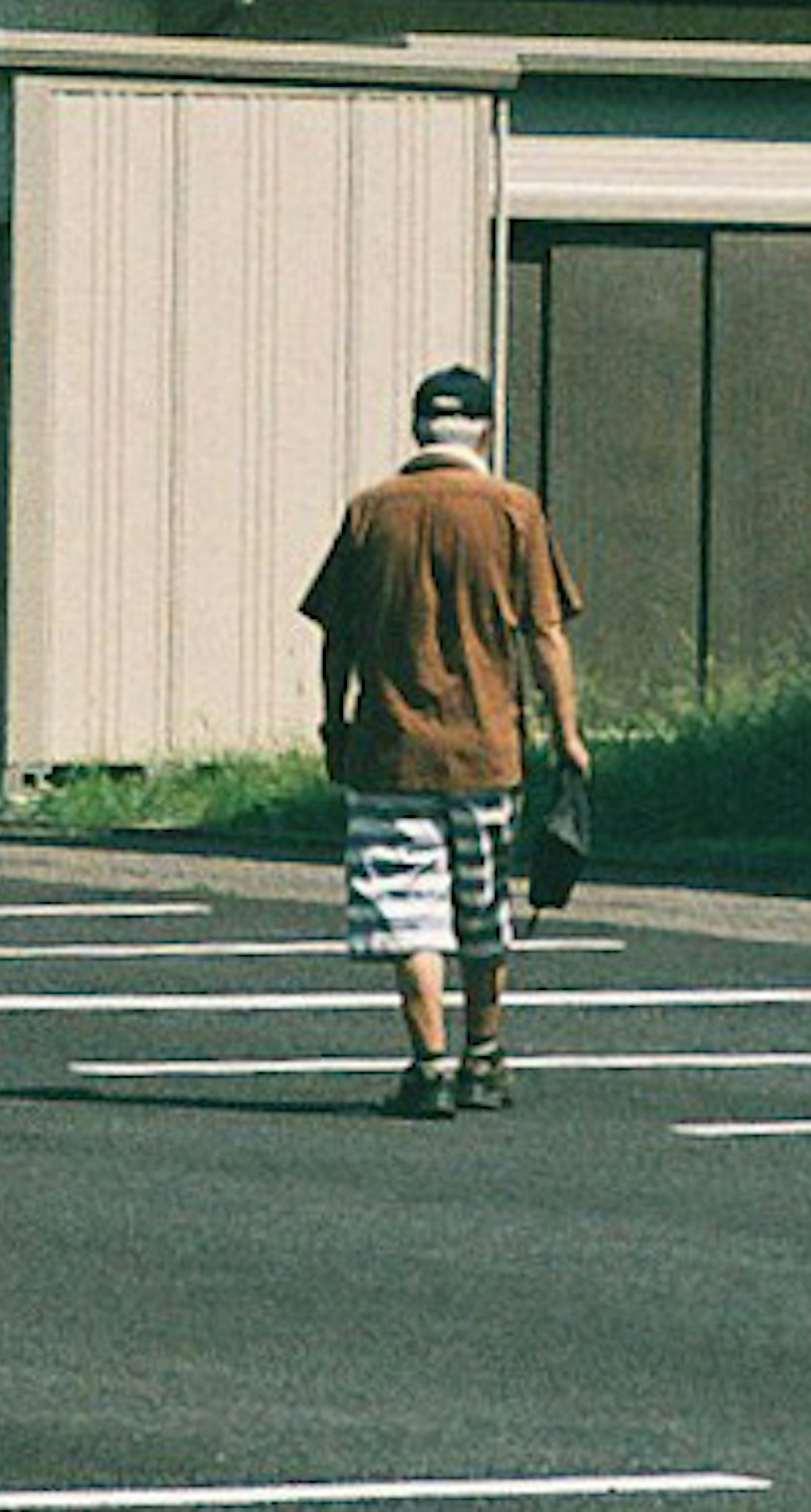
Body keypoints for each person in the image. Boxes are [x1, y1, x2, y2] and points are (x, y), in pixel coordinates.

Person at [299, 362, 587, 1119]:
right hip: (488, 747)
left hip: (390, 748)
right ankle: (484, 1057)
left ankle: (427, 1063)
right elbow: (546, 634)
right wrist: (569, 735)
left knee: (408, 910)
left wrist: (336, 720)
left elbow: (337, 638)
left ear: (417, 428)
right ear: (486, 430)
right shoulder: (514, 511)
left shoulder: (372, 512)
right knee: (481, 905)